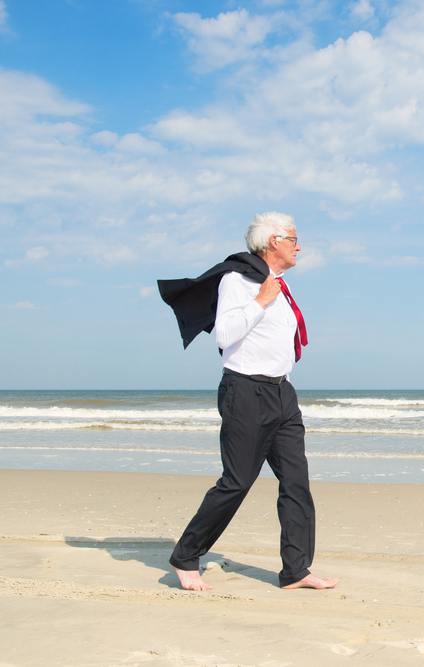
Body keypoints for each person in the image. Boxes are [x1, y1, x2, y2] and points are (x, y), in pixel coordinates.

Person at [158, 211, 337, 591]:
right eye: (293, 239)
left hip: (282, 393)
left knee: (296, 482)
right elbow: (224, 333)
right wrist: (260, 300)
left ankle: (296, 570)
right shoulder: (238, 280)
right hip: (245, 390)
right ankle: (186, 555)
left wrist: (270, 296)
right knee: (237, 481)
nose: (298, 246)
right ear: (273, 241)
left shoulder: (278, 285)